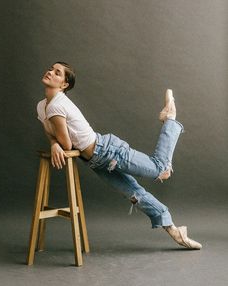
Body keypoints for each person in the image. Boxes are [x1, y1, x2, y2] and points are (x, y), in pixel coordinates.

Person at [37, 61, 202, 250]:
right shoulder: (42, 106)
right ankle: (174, 230)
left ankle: (170, 118)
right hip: (95, 161)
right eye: (51, 69)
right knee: (135, 194)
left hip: (108, 151)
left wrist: (57, 144)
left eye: (57, 73)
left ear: (64, 84)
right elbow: (51, 135)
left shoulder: (57, 104)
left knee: (161, 168)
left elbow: (66, 144)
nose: (50, 72)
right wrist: (53, 144)